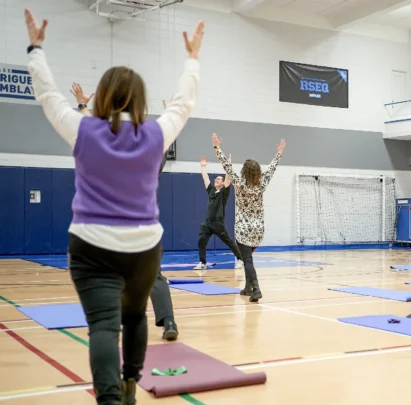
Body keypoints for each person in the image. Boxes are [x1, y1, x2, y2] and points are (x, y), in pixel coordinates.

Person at [25, 8, 205, 404]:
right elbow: (183, 104)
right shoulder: (155, 134)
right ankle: (129, 385)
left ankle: (110, 398)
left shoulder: (84, 129)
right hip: (143, 247)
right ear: (139, 100)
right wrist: (192, 59)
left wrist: (36, 49)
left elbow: (48, 97)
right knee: (135, 315)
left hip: (92, 245)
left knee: (104, 327)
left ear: (102, 96)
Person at [72, 87, 180, 342]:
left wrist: (82, 107)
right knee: (155, 277)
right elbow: (165, 137)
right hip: (144, 231)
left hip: (111, 231)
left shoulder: (106, 156)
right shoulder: (150, 160)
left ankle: (111, 328)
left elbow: (90, 132)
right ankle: (169, 322)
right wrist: (170, 112)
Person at [212, 133, 284, 302]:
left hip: (244, 230)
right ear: (258, 172)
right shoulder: (262, 183)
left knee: (248, 261)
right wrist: (279, 153)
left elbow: (226, 166)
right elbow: (272, 168)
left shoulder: (239, 182)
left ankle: (256, 289)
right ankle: (247, 287)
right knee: (246, 260)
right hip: (258, 230)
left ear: (244, 171)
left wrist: (217, 147)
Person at [194, 155, 245, 271]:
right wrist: (203, 167)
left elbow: (228, 179)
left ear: (222, 183)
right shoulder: (212, 190)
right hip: (207, 223)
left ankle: (240, 260)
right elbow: (205, 178)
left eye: (218, 179)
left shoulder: (224, 192)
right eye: (215, 179)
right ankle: (202, 262)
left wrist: (228, 165)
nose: (216, 180)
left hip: (218, 223)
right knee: (201, 240)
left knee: (229, 242)